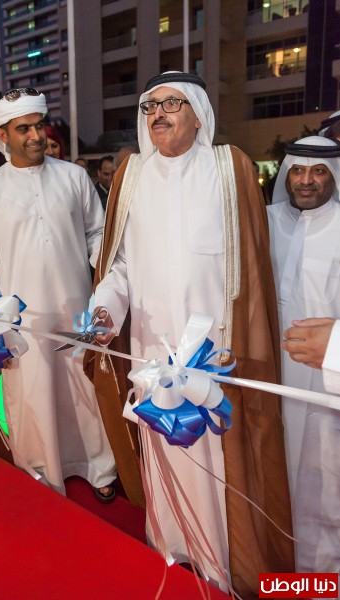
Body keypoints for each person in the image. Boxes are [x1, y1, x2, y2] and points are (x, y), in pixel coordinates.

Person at [85, 71, 294, 596]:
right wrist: (104, 310)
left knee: (217, 460)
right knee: (163, 450)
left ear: (199, 114)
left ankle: (221, 562)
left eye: (171, 103)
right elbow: (120, 265)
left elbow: (250, 268)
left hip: (215, 354)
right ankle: (169, 545)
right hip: (150, 347)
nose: (158, 113)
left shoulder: (228, 167)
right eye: (150, 105)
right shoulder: (132, 175)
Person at [0, 88, 116, 501]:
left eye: (39, 125)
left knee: (84, 392)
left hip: (77, 312)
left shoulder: (74, 177)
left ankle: (99, 467)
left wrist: (109, 288)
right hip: (23, 325)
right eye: (23, 129)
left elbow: (98, 234)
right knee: (33, 396)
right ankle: (43, 474)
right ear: (2, 135)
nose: (35, 136)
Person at [267, 136, 340, 572]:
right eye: (297, 170)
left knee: (323, 482)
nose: (306, 181)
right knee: (275, 475)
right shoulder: (266, 220)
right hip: (270, 374)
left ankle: (321, 577)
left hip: (326, 381)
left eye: (318, 172)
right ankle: (279, 569)